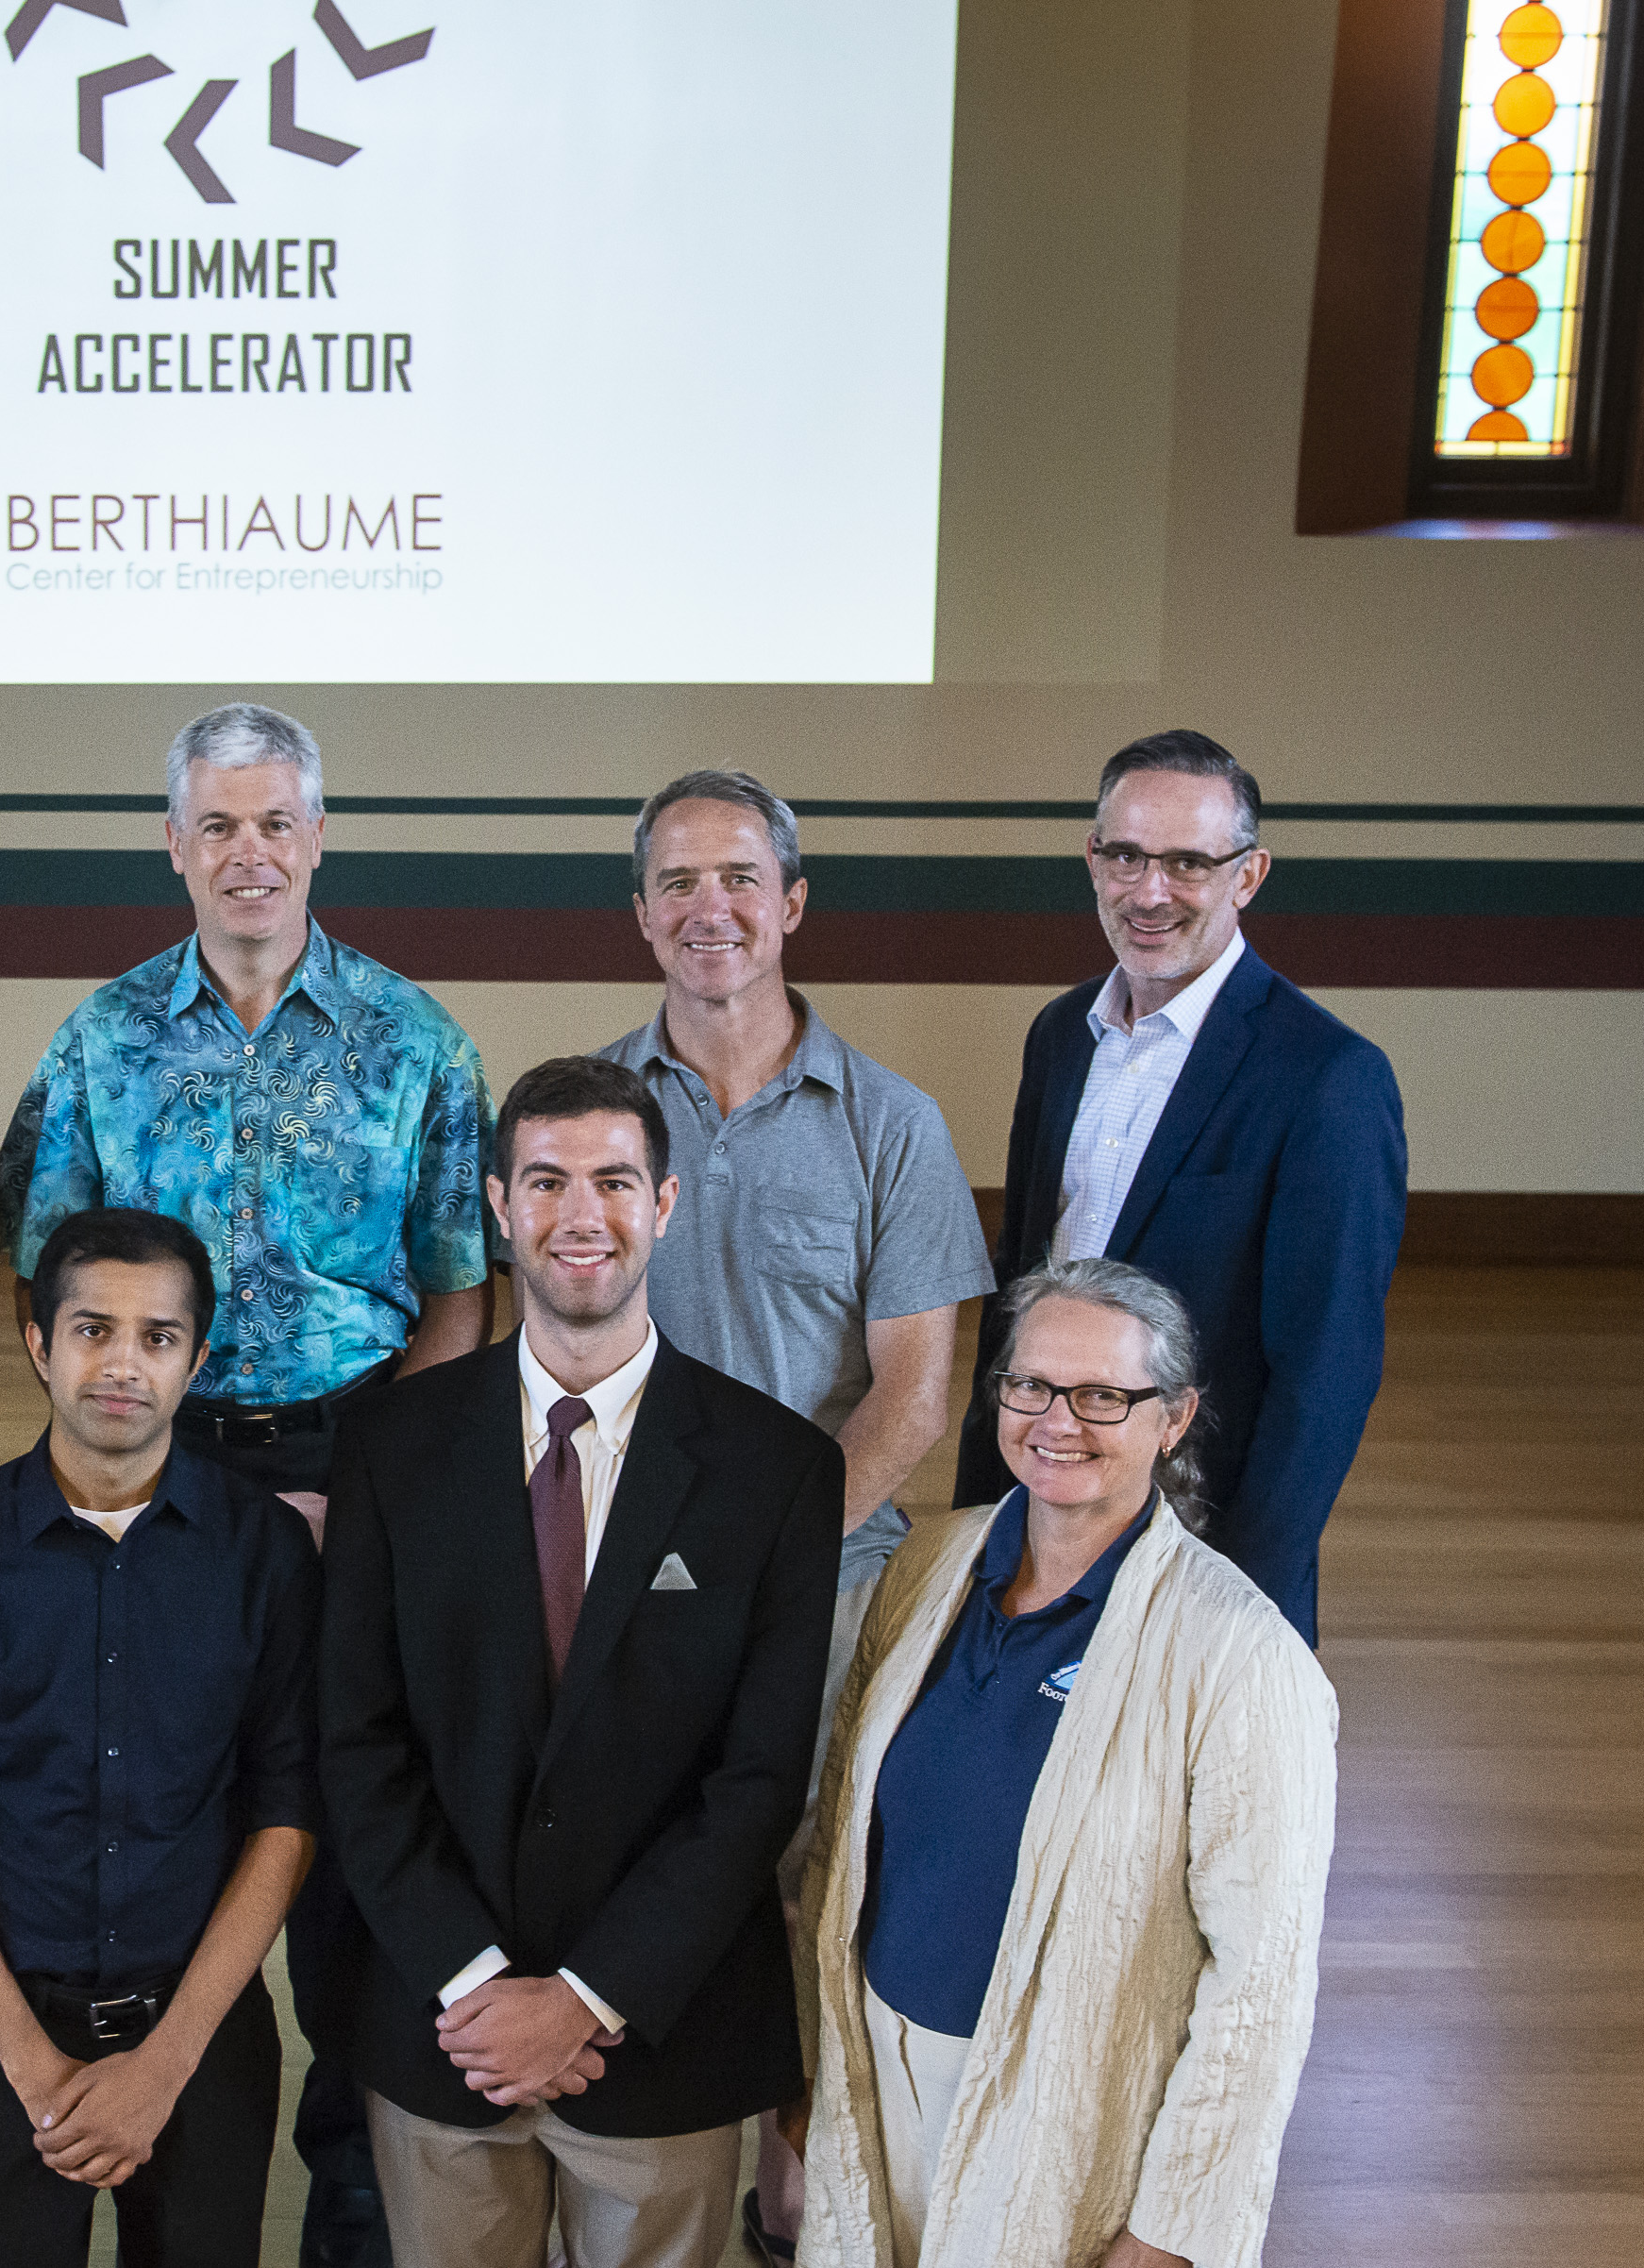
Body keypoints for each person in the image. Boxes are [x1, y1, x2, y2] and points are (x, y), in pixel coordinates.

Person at [0, 700, 490, 2268]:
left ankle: (351, 2196)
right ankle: (160, 2152)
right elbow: (54, 1285)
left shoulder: (419, 1040)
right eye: (217, 823)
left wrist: (377, 1492)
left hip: (362, 1457)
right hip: (161, 1465)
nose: (249, 851)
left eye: (276, 821)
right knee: (163, 1812)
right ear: (173, 843)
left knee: (353, 1839)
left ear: (319, 836)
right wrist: (135, 1481)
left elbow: (459, 1295)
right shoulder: (100, 1039)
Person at [321, 1055, 842, 2268]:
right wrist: (474, 1982)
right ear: (499, 1207)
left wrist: (587, 1997)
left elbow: (760, 1780)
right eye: (546, 1180)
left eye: (614, 1180)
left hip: (657, 2033)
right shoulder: (389, 1446)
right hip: (445, 2030)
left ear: (665, 1203)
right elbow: (356, 1742)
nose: (580, 1214)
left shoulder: (776, 1471)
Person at [591, 767, 993, 2260]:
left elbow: (914, 1394)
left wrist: (762, 1559)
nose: (712, 908)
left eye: (741, 877)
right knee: (631, 1862)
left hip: (827, 1575)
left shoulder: (892, 1122)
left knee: (820, 1874)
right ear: (641, 914)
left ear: (794, 902)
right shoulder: (585, 1109)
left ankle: (796, 2151)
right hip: (615, 1568)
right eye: (679, 882)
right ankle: (650, 2144)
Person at [801, 1258, 1337, 2268]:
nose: (1058, 1421)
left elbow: (1260, 1984)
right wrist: (814, 2064)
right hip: (873, 2074)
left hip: (1064, 2128)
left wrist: (1172, 2228)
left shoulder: (1245, 1659)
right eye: (1032, 1385)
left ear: (1174, 1417)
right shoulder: (923, 1567)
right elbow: (840, 1837)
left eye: (1103, 1397)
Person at [0, 1208, 321, 2267]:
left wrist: (163, 2066)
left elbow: (288, 1814)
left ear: (197, 1360)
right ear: (39, 1341)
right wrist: (33, 2069)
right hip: (7, 2031)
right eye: (92, 1330)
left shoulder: (264, 1553)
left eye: (158, 1337)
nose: (122, 1364)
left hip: (202, 2031)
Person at [951, 729, 1406, 1645]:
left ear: (1249, 875)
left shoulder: (1329, 1078)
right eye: (1126, 855)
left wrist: (1234, 1602)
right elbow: (1017, 1293)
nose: (1150, 891)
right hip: (1034, 1517)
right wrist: (976, 1522)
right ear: (1093, 859)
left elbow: (1325, 1377)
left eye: (1189, 863)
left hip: (1198, 1540)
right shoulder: (1060, 1036)